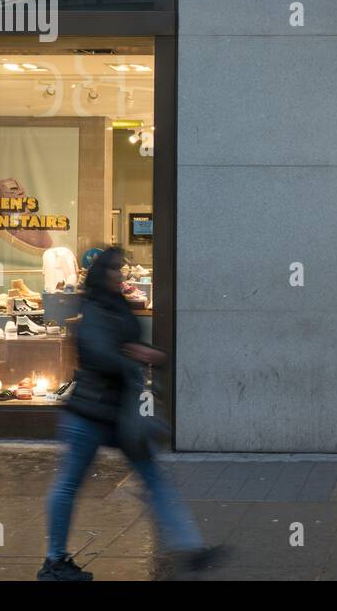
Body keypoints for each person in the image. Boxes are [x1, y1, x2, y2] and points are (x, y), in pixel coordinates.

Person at [40, 247, 225, 581]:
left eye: (121, 269)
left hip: (121, 412)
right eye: (114, 269)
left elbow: (124, 347)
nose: (120, 275)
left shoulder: (118, 305)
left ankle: (192, 548)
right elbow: (99, 356)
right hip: (89, 413)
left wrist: (146, 355)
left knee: (154, 476)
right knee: (70, 483)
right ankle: (54, 560)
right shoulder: (94, 308)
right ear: (101, 273)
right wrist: (135, 356)